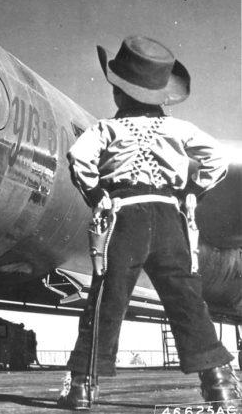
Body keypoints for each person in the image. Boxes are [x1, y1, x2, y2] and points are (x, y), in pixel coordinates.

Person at [57, 36, 241, 410]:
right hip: (171, 220)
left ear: (119, 94)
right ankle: (220, 385)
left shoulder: (107, 130)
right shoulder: (181, 131)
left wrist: (98, 197)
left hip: (126, 218)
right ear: (162, 95)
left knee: (107, 299)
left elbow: (78, 160)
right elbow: (217, 162)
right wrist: (192, 191)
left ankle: (81, 388)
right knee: (187, 299)